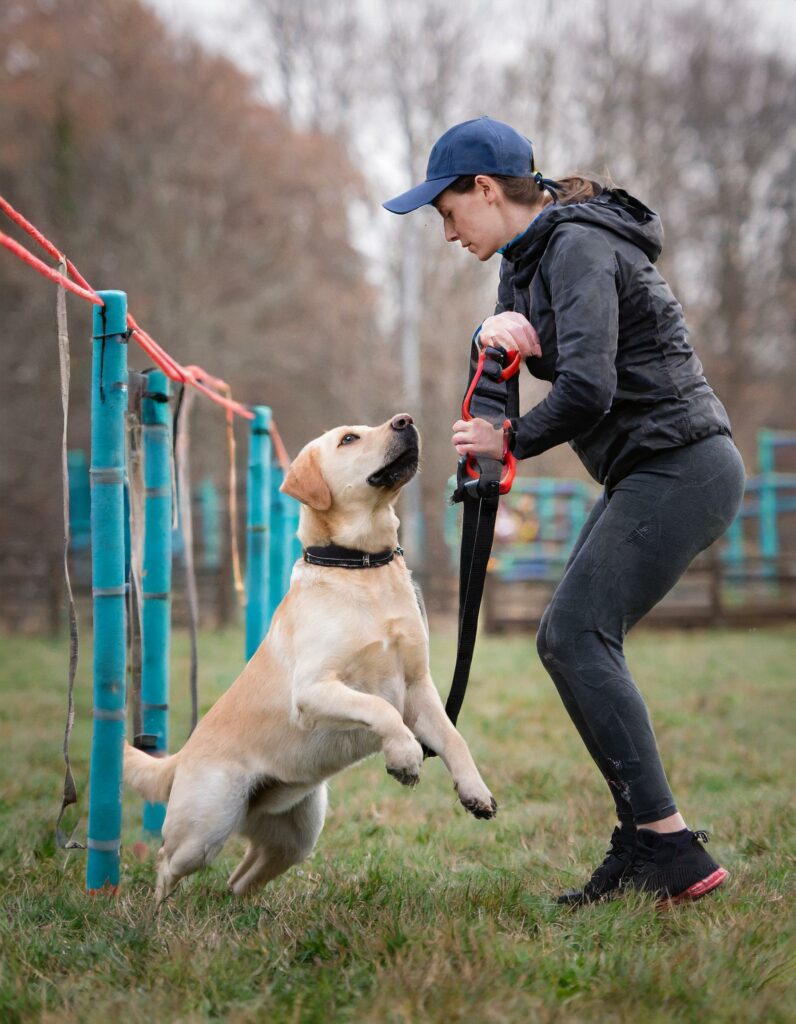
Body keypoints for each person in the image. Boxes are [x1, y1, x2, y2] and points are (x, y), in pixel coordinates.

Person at [383, 116, 746, 906]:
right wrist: (496, 346)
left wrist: (507, 439)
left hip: (685, 467)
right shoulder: (524, 265)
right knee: (565, 639)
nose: (447, 234)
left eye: (448, 213)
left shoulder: (578, 245)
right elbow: (516, 371)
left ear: (486, 189)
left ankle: (672, 847)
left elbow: (590, 388)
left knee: (578, 634)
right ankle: (647, 841)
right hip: (641, 473)